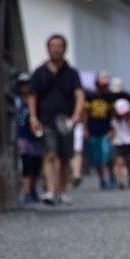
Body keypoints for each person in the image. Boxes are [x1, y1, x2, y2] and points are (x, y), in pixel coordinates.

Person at [28, 33, 85, 205]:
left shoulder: (71, 73)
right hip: (46, 120)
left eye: (59, 46)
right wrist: (33, 117)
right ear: (48, 48)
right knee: (50, 154)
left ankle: (62, 190)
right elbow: (32, 95)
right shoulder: (39, 72)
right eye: (53, 46)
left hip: (66, 121)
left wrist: (77, 114)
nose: (56, 49)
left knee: (64, 157)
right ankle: (51, 190)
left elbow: (80, 94)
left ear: (64, 49)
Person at [83, 70, 118, 190]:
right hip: (93, 129)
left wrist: (113, 128)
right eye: (102, 84)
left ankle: (112, 176)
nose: (104, 87)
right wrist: (85, 128)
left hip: (106, 129)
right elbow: (86, 113)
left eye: (106, 85)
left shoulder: (109, 97)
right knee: (97, 157)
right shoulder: (90, 97)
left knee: (108, 154)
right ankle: (102, 179)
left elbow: (113, 114)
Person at [14, 73, 44, 203]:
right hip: (22, 136)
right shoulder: (16, 101)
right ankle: (26, 191)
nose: (25, 87)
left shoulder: (38, 101)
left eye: (27, 84)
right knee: (26, 163)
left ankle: (33, 188)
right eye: (23, 84)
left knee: (36, 165)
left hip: (36, 136)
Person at [110, 98, 130, 189]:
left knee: (129, 163)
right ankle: (120, 181)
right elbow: (112, 132)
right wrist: (111, 138)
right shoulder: (114, 121)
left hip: (129, 142)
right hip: (118, 143)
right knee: (119, 162)